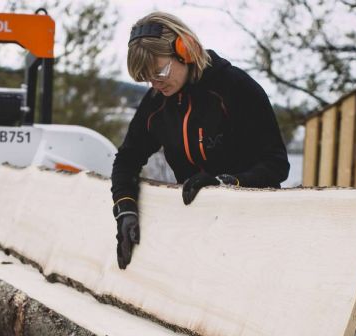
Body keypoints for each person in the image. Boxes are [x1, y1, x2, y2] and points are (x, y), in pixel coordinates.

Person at [112, 12, 290, 270]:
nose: (156, 83)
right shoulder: (156, 103)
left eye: (159, 71)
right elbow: (127, 159)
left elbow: (276, 164)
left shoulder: (235, 88)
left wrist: (228, 182)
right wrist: (125, 208)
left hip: (254, 227)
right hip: (199, 230)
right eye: (147, 78)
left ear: (185, 50)